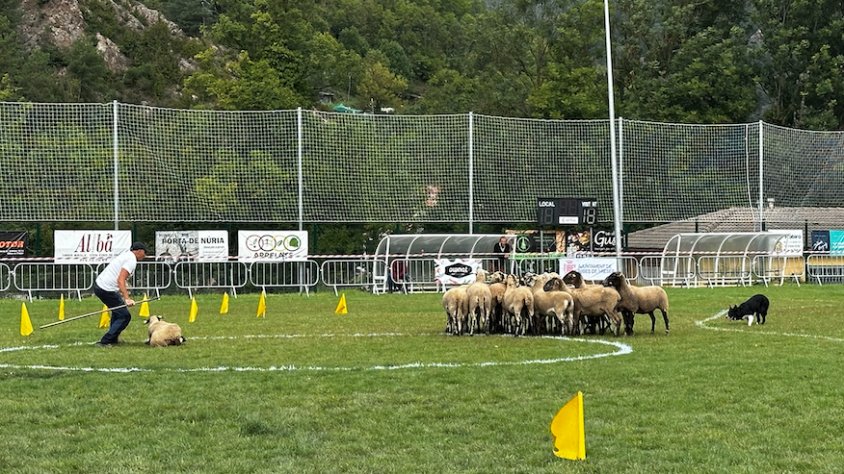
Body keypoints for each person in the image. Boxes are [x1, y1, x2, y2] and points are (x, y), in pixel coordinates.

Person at [94, 241, 147, 346]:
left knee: (117, 312)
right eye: (145, 253)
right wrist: (127, 298)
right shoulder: (131, 260)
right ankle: (106, 341)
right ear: (139, 251)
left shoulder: (127, 255)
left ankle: (113, 339)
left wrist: (125, 292)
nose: (145, 256)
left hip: (102, 286)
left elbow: (120, 280)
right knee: (124, 316)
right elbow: (120, 280)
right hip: (106, 289)